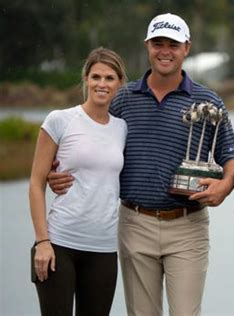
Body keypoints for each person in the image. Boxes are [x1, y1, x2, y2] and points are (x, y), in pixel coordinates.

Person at [47, 13, 234, 316]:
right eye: (158, 43)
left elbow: (231, 156)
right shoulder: (123, 98)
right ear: (147, 46)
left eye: (173, 44)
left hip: (188, 226)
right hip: (135, 223)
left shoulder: (208, 100)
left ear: (186, 48)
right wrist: (53, 171)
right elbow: (89, 139)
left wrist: (226, 186)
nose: (165, 51)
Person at [29, 47, 128, 315]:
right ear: (85, 79)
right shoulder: (59, 120)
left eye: (109, 78)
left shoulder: (122, 128)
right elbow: (36, 184)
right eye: (96, 77)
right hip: (59, 245)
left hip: (104, 249)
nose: (102, 84)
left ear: (119, 83)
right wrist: (42, 242)